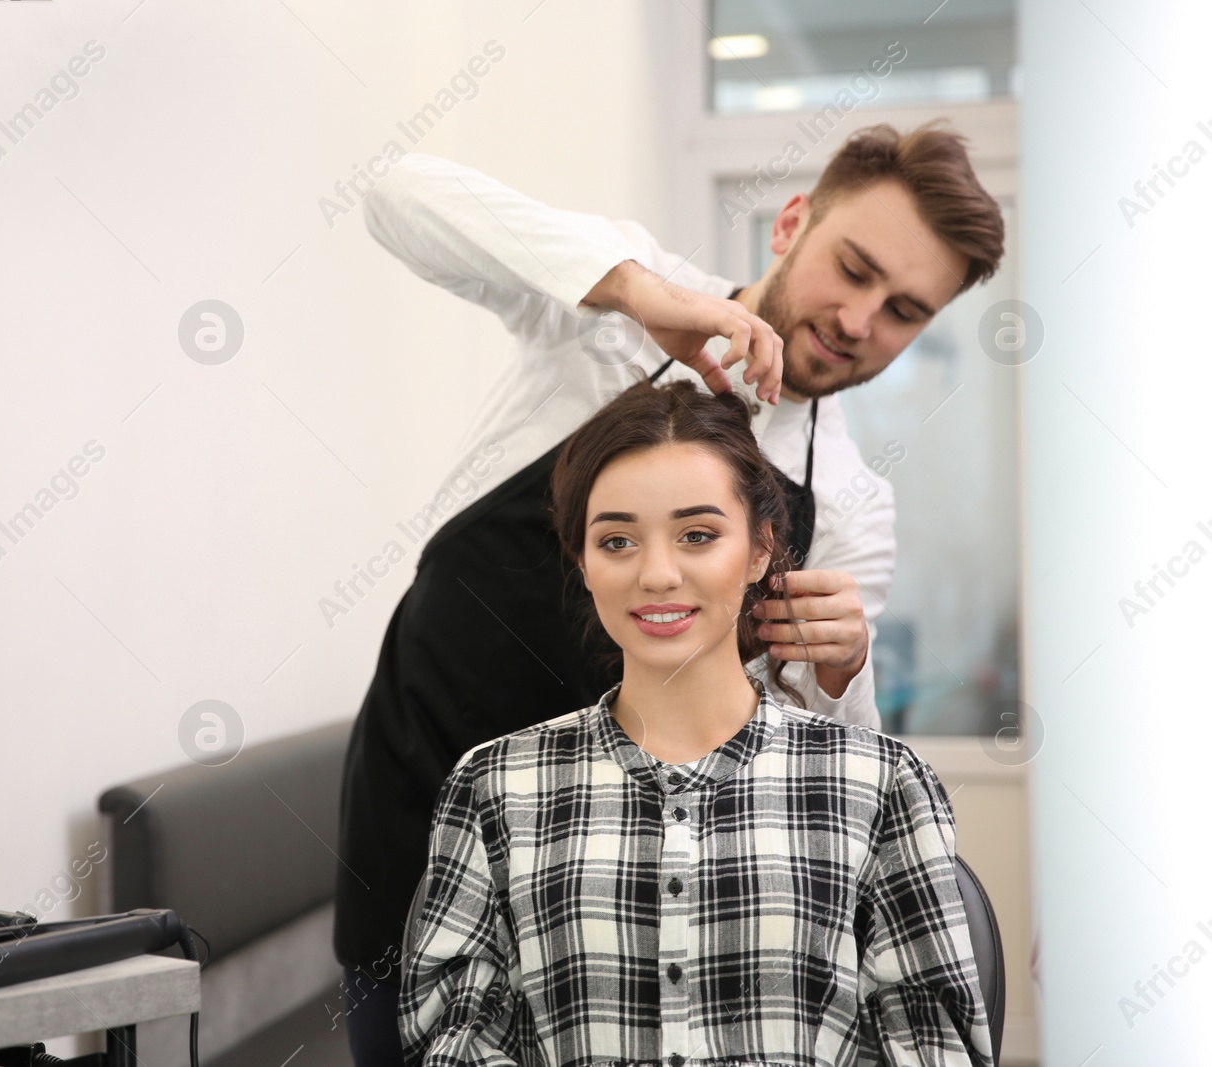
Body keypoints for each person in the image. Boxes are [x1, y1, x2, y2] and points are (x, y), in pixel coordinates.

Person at [335, 123, 1005, 1063]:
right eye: (853, 269)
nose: (860, 320)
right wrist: (639, 293)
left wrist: (843, 669)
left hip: (646, 906)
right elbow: (394, 191)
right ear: (793, 222)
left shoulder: (852, 504)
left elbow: (833, 789)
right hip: (423, 826)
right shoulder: (611, 308)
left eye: (903, 309)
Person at [400, 377, 993, 1067]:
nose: (656, 573)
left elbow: (933, 1043)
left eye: (698, 534)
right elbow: (454, 1039)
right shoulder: (492, 785)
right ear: (582, 561)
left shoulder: (881, 784)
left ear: (761, 550)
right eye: (617, 540)